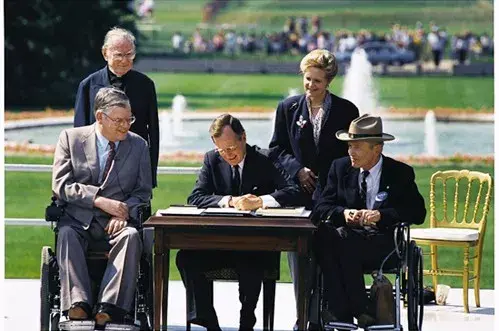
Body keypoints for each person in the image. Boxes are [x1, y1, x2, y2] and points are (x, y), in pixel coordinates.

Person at [176, 114, 302, 331]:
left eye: (232, 148)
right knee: (186, 258)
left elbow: (293, 191)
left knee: (251, 261)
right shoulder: (211, 159)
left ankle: (247, 320)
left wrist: (260, 201)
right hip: (219, 243)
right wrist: (230, 201)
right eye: (222, 150)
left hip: (257, 245)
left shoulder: (266, 158)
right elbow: (196, 196)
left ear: (243, 137)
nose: (228, 155)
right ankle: (208, 321)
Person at [269, 48, 359, 330]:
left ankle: (332, 315)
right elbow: (276, 149)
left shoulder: (346, 111)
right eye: (307, 79)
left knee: (329, 253)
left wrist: (330, 179)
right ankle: (302, 318)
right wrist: (297, 170)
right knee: (299, 258)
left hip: (332, 197)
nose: (310, 86)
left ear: (328, 81)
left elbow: (351, 155)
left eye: (317, 81)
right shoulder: (288, 108)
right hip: (298, 196)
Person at [312, 114, 426, 328]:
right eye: (349, 146)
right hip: (346, 240)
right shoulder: (340, 168)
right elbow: (320, 207)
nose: (350, 152)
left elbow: (417, 212)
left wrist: (382, 215)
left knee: (337, 241)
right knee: (327, 236)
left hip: (383, 243)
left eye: (357, 147)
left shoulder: (400, 173)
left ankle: (342, 311)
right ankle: (359, 309)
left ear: (377, 148)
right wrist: (344, 213)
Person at [52, 87, 152, 326]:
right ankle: (78, 304)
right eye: (119, 120)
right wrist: (98, 200)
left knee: (130, 236)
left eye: (129, 119)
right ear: (100, 117)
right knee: (66, 234)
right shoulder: (70, 138)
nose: (125, 126)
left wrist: (125, 211)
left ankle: (109, 308)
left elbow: (143, 191)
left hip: (117, 223)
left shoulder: (138, 146)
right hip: (79, 219)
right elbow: (61, 184)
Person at [74, 27, 159, 188]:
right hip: (95, 171)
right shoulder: (87, 86)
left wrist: (150, 176)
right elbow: (79, 134)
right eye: (119, 55)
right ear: (105, 53)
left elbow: (153, 133)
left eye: (129, 55)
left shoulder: (146, 85)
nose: (124, 60)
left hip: (134, 169)